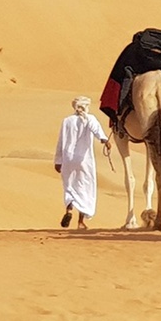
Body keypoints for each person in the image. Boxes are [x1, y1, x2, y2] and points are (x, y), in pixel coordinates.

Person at [53, 96, 112, 229]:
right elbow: (96, 130)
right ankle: (80, 221)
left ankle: (68, 211)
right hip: (84, 160)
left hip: (68, 159)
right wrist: (104, 140)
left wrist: (58, 160)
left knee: (69, 186)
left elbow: (60, 141)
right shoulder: (89, 118)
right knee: (84, 187)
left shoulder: (67, 121)